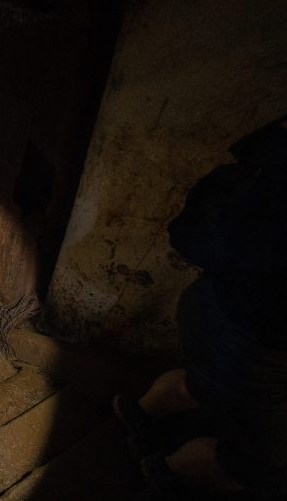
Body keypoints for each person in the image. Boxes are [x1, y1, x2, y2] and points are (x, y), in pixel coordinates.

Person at [112, 122, 287, 499]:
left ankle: (139, 418)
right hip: (247, 330)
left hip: (218, 304)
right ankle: (167, 473)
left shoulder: (272, 156)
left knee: (203, 382)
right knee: (265, 464)